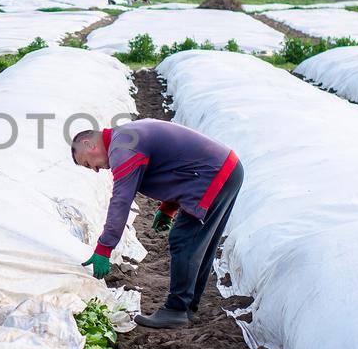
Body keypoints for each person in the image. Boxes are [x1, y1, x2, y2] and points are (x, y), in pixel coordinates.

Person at [70, 120, 244, 329]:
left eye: (88, 164)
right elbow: (176, 166)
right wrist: (167, 209)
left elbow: (121, 200)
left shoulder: (122, 147)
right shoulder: (126, 137)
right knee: (199, 242)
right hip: (224, 169)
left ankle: (176, 310)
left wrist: (104, 248)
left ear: (90, 144)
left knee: (184, 239)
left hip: (214, 174)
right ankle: (186, 308)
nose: (96, 170)